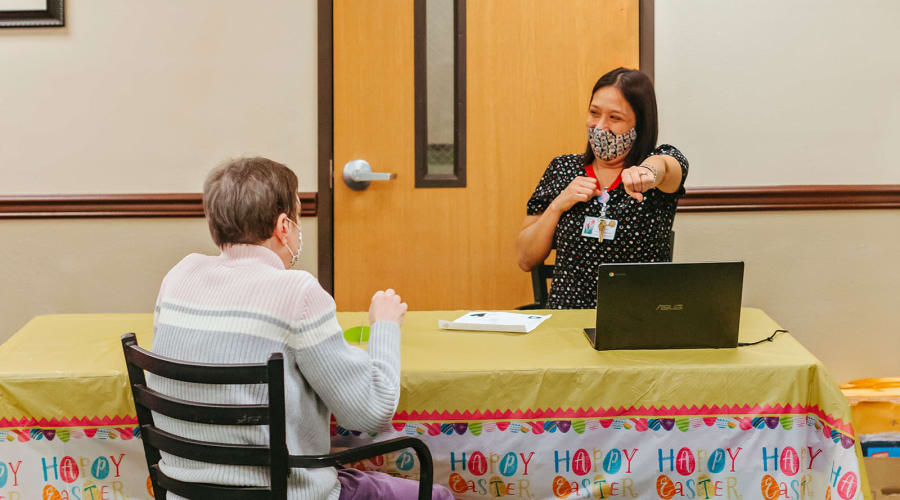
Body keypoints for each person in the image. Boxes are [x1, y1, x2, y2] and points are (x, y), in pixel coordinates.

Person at [149, 157, 453, 499]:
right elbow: (371, 413)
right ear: (283, 227)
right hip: (284, 493)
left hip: (183, 494)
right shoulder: (298, 291)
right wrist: (384, 327)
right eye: (297, 218)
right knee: (437, 496)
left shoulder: (179, 276)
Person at [516, 68, 690, 309]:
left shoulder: (654, 176)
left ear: (640, 122)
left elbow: (669, 166)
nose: (599, 127)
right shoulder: (563, 168)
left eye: (614, 118)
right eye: (594, 113)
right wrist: (558, 205)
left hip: (638, 318)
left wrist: (647, 173)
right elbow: (525, 258)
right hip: (567, 320)